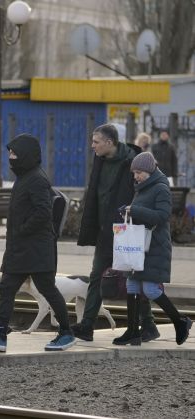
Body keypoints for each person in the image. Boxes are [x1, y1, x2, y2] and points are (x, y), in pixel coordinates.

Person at [0, 133, 76, 353]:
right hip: (23, 248)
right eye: (9, 152)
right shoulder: (26, 177)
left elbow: (43, 212)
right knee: (7, 287)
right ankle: (0, 334)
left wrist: (21, 231)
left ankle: (66, 332)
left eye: (14, 153)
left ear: (26, 155)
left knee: (46, 288)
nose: (10, 157)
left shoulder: (36, 179)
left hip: (35, 248)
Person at [72, 124, 158, 342]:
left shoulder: (133, 161)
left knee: (134, 276)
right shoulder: (100, 160)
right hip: (104, 230)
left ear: (109, 143)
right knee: (96, 275)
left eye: (96, 142)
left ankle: (148, 325)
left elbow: (147, 191)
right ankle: (87, 325)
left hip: (126, 231)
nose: (92, 146)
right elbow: (96, 191)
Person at [113, 152, 191, 346]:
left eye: (138, 172)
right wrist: (128, 210)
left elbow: (162, 216)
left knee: (150, 289)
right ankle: (132, 331)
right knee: (132, 286)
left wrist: (135, 210)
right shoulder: (142, 187)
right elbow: (143, 213)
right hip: (139, 246)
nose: (135, 176)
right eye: (134, 173)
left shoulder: (161, 188)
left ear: (149, 170)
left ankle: (180, 321)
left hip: (155, 246)